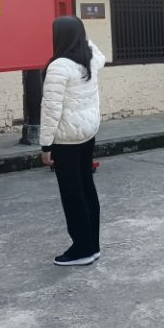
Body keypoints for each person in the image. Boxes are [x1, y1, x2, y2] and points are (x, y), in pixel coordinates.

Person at [39, 16, 106, 267]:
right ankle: (92, 245)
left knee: (72, 194)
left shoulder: (59, 66)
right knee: (87, 188)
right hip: (87, 133)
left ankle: (81, 249)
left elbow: (51, 109)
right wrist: (82, 35)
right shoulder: (90, 60)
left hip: (66, 139)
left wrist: (46, 146)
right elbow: (99, 52)